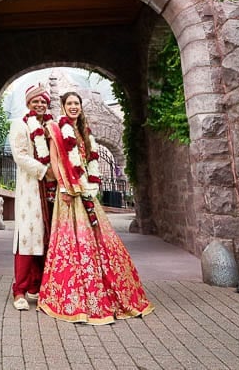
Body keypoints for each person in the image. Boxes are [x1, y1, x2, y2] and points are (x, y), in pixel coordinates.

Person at [37, 91, 154, 324]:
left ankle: (106, 291)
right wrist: (64, 186)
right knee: (72, 242)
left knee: (101, 239)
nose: (73, 107)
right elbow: (55, 161)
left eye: (76, 104)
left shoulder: (84, 132)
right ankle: (74, 298)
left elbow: (89, 160)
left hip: (87, 192)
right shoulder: (57, 130)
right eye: (69, 103)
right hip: (69, 193)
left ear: (81, 107)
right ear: (62, 106)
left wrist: (89, 183)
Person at [8, 83, 58, 311]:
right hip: (31, 189)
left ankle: (37, 287)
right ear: (28, 103)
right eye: (35, 101)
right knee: (27, 239)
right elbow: (20, 155)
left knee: (46, 239)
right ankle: (19, 289)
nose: (39, 104)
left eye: (43, 101)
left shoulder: (52, 126)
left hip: (52, 191)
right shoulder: (20, 124)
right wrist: (43, 170)